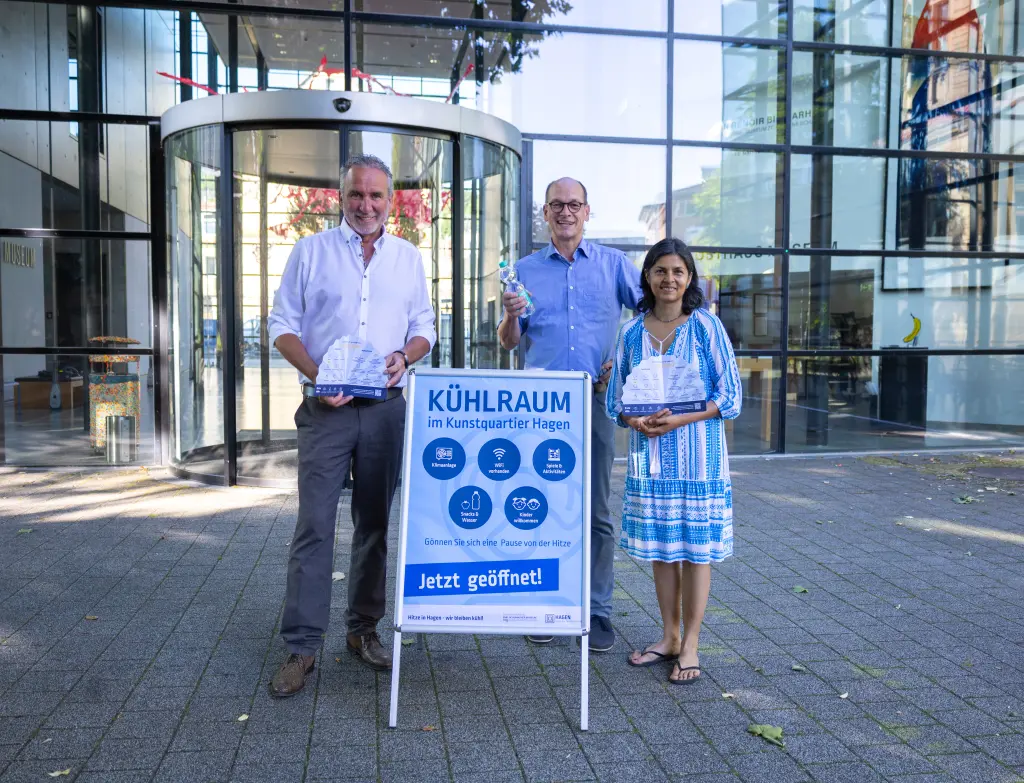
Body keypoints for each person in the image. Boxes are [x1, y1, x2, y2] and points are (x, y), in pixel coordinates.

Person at [266, 154, 436, 697]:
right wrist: (320, 376)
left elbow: (425, 326)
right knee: (314, 524)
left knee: (374, 525)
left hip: (386, 410)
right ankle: (301, 647)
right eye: (356, 194)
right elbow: (281, 325)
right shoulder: (310, 251)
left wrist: (405, 356)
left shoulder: (407, 258)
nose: (366, 205)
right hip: (326, 412)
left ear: (391, 200)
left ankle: (363, 630)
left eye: (376, 195)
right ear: (341, 197)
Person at [498, 177, 642, 652]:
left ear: (587, 211)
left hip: (595, 401)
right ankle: (545, 603)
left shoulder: (613, 265)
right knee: (541, 506)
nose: (565, 212)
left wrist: (623, 361)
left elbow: (652, 314)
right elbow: (509, 342)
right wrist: (511, 315)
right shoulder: (523, 270)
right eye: (557, 205)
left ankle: (597, 610)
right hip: (541, 408)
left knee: (596, 510)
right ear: (545, 212)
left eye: (574, 204)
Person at [606, 238, 741, 683]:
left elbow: (730, 395)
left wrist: (683, 418)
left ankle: (692, 644)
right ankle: (668, 637)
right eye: (660, 270)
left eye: (678, 271)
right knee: (663, 552)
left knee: (696, 553)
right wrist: (634, 420)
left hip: (699, 459)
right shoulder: (630, 332)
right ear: (647, 276)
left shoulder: (706, 327)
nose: (669, 279)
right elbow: (615, 400)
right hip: (651, 461)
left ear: (689, 278)